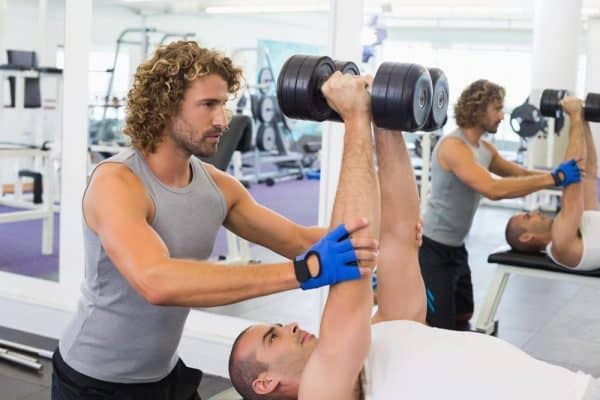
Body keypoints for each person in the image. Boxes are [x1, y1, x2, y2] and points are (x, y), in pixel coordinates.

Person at [227, 75, 599, 400]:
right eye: (273, 337)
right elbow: (351, 260)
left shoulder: (382, 330)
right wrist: (355, 118)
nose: (290, 325)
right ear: (265, 383)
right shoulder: (324, 390)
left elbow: (399, 234)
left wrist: (386, 120)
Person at [51, 41, 378, 400]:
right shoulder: (117, 183)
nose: (222, 120)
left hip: (165, 376)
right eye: (208, 105)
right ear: (164, 107)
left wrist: (388, 239)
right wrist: (305, 270)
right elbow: (156, 281)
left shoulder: (218, 187)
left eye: (223, 104)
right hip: (94, 382)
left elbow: (303, 241)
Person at [419, 79, 581, 329]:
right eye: (497, 109)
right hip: (432, 249)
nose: (502, 116)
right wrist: (554, 178)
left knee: (463, 315)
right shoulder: (453, 147)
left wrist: (562, 181)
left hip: (457, 248)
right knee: (438, 325)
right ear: (478, 109)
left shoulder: (484, 149)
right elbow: (492, 189)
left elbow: (519, 174)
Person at [506, 96, 598, 270]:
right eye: (528, 217)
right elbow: (573, 173)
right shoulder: (560, 244)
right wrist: (575, 115)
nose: (535, 211)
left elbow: (589, 171)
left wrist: (583, 120)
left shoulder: (579, 226)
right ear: (526, 237)